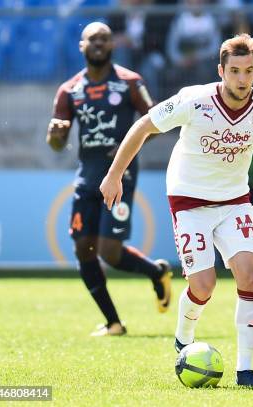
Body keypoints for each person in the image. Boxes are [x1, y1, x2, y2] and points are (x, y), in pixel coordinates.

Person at [99, 33, 253, 387]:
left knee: (250, 277)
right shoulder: (194, 100)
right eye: (234, 71)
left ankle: (247, 372)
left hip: (235, 200)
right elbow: (143, 126)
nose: (241, 79)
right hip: (188, 199)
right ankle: (184, 337)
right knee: (203, 287)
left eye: (248, 71)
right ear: (221, 70)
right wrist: (114, 174)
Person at [47, 22, 172, 337]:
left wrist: (128, 145)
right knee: (82, 249)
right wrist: (56, 136)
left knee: (110, 251)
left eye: (104, 39)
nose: (99, 43)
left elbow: (157, 121)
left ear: (113, 45)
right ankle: (114, 323)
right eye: (93, 39)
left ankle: (156, 272)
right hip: (86, 178)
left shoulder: (130, 83)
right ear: (82, 46)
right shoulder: (69, 90)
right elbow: (57, 143)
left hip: (121, 175)